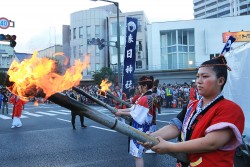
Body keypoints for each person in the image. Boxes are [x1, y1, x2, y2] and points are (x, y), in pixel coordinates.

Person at [141, 56, 245, 167]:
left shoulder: (230, 109)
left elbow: (212, 142)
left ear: (220, 81)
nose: (198, 81)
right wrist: (151, 137)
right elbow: (175, 127)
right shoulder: (192, 105)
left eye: (205, 76)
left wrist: (169, 146)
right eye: (198, 76)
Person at [114, 76, 156, 167]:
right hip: (140, 126)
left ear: (144, 86)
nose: (138, 88)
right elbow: (133, 109)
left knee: (137, 155)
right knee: (136, 155)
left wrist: (120, 112)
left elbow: (135, 113)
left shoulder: (146, 98)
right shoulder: (145, 96)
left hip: (141, 128)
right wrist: (120, 111)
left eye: (139, 86)